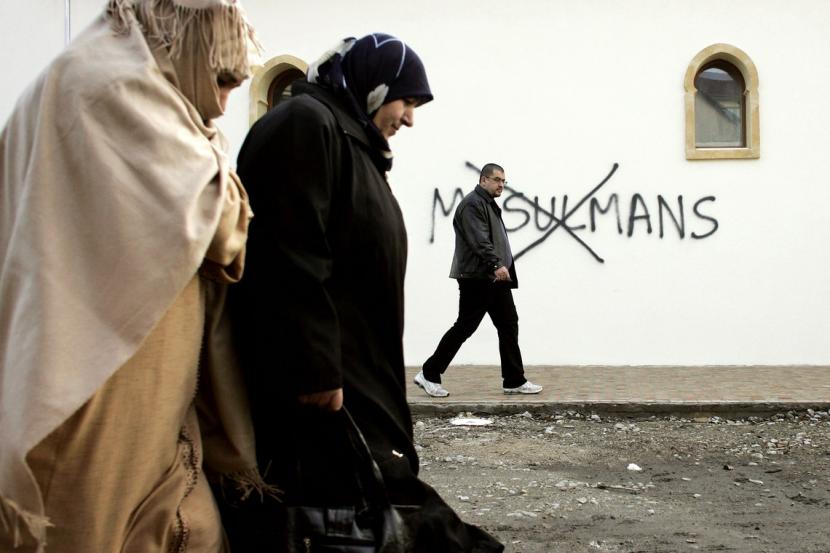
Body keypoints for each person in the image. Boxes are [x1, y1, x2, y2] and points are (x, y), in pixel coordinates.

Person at [223, 34, 504, 552]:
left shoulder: (349, 141)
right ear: (375, 84)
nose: (411, 118)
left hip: (357, 384)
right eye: (408, 101)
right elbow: (287, 250)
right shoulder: (304, 124)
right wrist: (315, 371)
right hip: (329, 397)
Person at [0, 1, 260, 551]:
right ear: (185, 40)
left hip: (146, 389)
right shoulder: (112, 87)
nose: (223, 100)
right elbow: (219, 225)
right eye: (221, 76)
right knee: (88, 527)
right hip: (96, 384)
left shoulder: (88, 79)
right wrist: (224, 179)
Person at [416, 164, 543, 397]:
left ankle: (514, 380)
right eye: (497, 180)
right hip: (478, 277)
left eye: (504, 181)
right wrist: (496, 264)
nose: (501, 185)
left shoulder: (487, 204)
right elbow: (479, 240)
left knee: (508, 324)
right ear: (483, 179)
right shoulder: (472, 204)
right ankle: (429, 373)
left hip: (494, 279)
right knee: (465, 326)